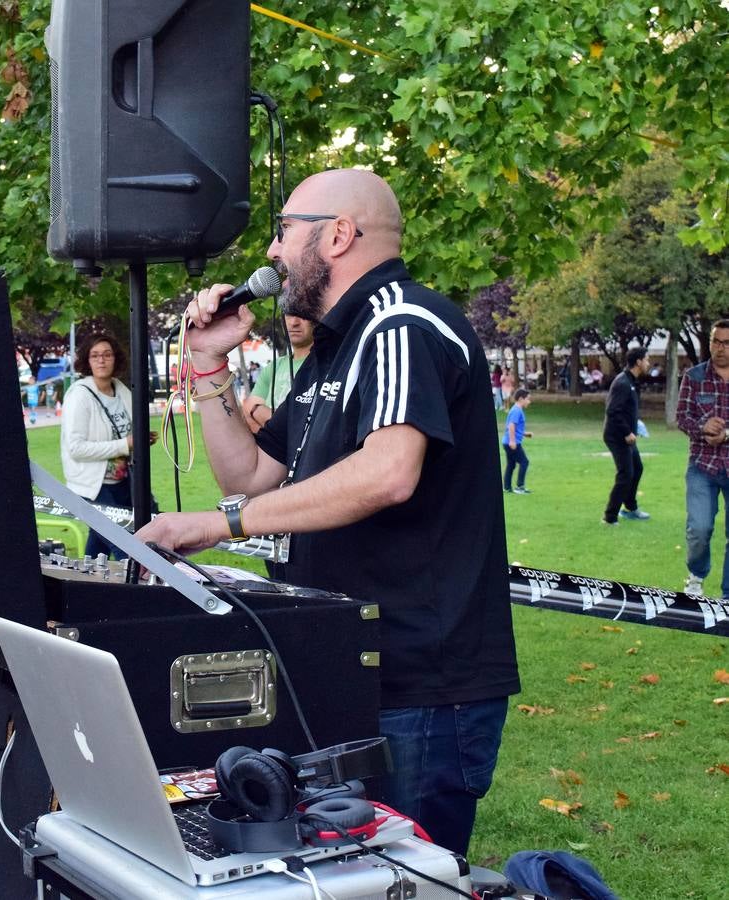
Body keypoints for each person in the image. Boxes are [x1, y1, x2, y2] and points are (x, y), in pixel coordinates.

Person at [135, 168, 519, 856]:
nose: (274, 252)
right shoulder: (336, 347)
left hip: (418, 686)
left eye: (284, 230)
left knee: (401, 877)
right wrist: (208, 367)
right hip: (346, 668)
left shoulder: (400, 324)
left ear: (337, 235)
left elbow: (388, 472)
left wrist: (215, 526)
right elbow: (250, 475)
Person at [60, 333, 157, 558]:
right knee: (126, 550)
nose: (101, 360)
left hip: (123, 482)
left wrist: (140, 440)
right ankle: (141, 589)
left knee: (98, 548)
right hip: (93, 486)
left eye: (106, 354)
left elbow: (128, 432)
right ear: (87, 361)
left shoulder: (121, 389)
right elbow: (76, 448)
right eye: (95, 356)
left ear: (115, 358)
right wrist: (125, 445)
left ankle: (87, 589)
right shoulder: (79, 396)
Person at [676, 320, 729, 597]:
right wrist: (702, 428)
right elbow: (682, 418)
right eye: (715, 342)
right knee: (699, 528)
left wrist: (725, 435)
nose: (720, 348)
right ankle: (696, 575)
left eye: (726, 343)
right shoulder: (694, 377)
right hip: (702, 465)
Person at [602, 347, 651, 525]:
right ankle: (610, 517)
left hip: (627, 436)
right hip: (617, 436)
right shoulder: (623, 382)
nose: (648, 363)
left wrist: (636, 424)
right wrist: (627, 431)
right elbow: (612, 411)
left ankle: (630, 508)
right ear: (638, 362)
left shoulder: (631, 381)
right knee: (626, 474)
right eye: (646, 359)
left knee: (637, 469)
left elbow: (626, 409)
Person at [242, 315, 315, 435]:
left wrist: (257, 410)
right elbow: (247, 410)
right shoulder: (274, 366)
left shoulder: (327, 365)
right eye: (289, 315)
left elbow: (310, 428)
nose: (294, 322)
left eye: (302, 315)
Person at [502, 388, 533, 494]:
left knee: (511, 464)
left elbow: (515, 427)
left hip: (507, 442)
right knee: (524, 462)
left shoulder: (516, 410)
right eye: (528, 399)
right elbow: (511, 426)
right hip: (511, 442)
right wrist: (512, 441)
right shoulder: (516, 411)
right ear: (521, 399)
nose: (529, 402)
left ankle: (506, 487)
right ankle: (520, 487)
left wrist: (525, 434)